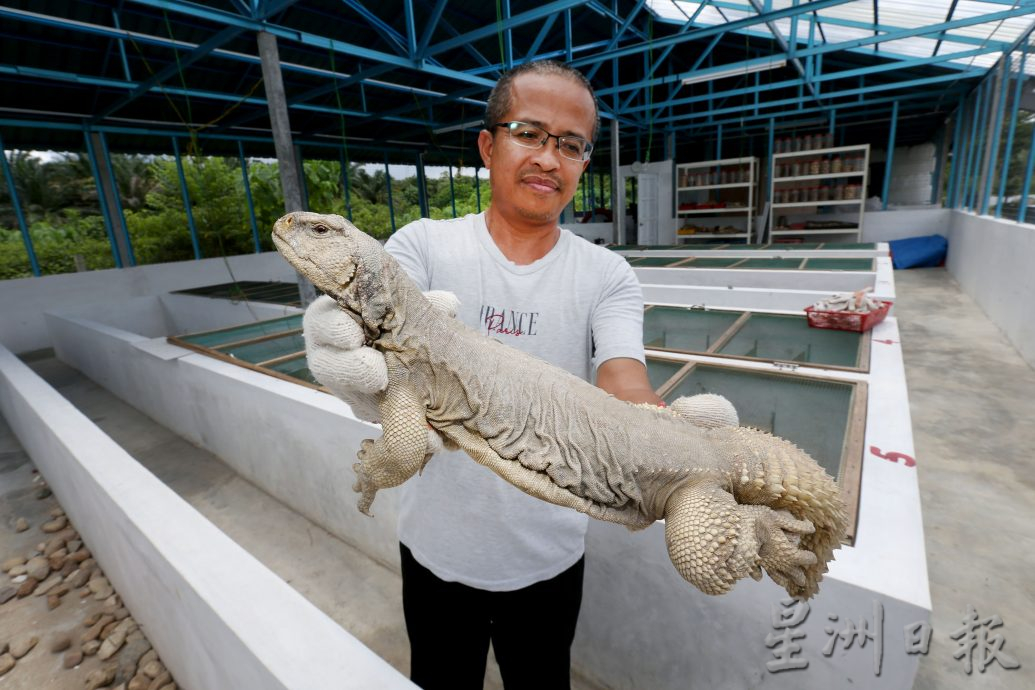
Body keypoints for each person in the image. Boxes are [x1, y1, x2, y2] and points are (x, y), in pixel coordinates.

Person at [307, 60, 664, 689]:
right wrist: (352, 364)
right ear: (488, 144)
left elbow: (622, 374)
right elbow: (372, 324)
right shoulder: (423, 246)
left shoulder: (607, 275)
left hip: (551, 555)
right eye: (529, 133)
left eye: (572, 145)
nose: (549, 159)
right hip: (437, 553)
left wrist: (659, 429)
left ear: (585, 162)